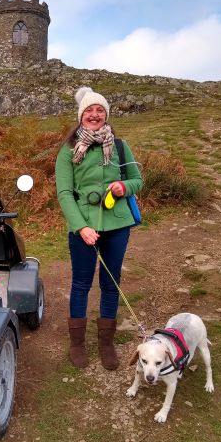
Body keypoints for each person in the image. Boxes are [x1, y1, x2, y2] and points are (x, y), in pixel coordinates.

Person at [55, 87, 143, 370]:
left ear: (106, 115)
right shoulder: (68, 150)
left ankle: (106, 344)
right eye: (89, 110)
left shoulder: (120, 146)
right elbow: (64, 193)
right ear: (81, 116)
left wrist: (123, 186)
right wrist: (81, 227)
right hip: (83, 227)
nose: (94, 115)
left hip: (118, 224)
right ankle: (77, 344)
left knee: (111, 282)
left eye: (100, 110)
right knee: (81, 283)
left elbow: (137, 180)